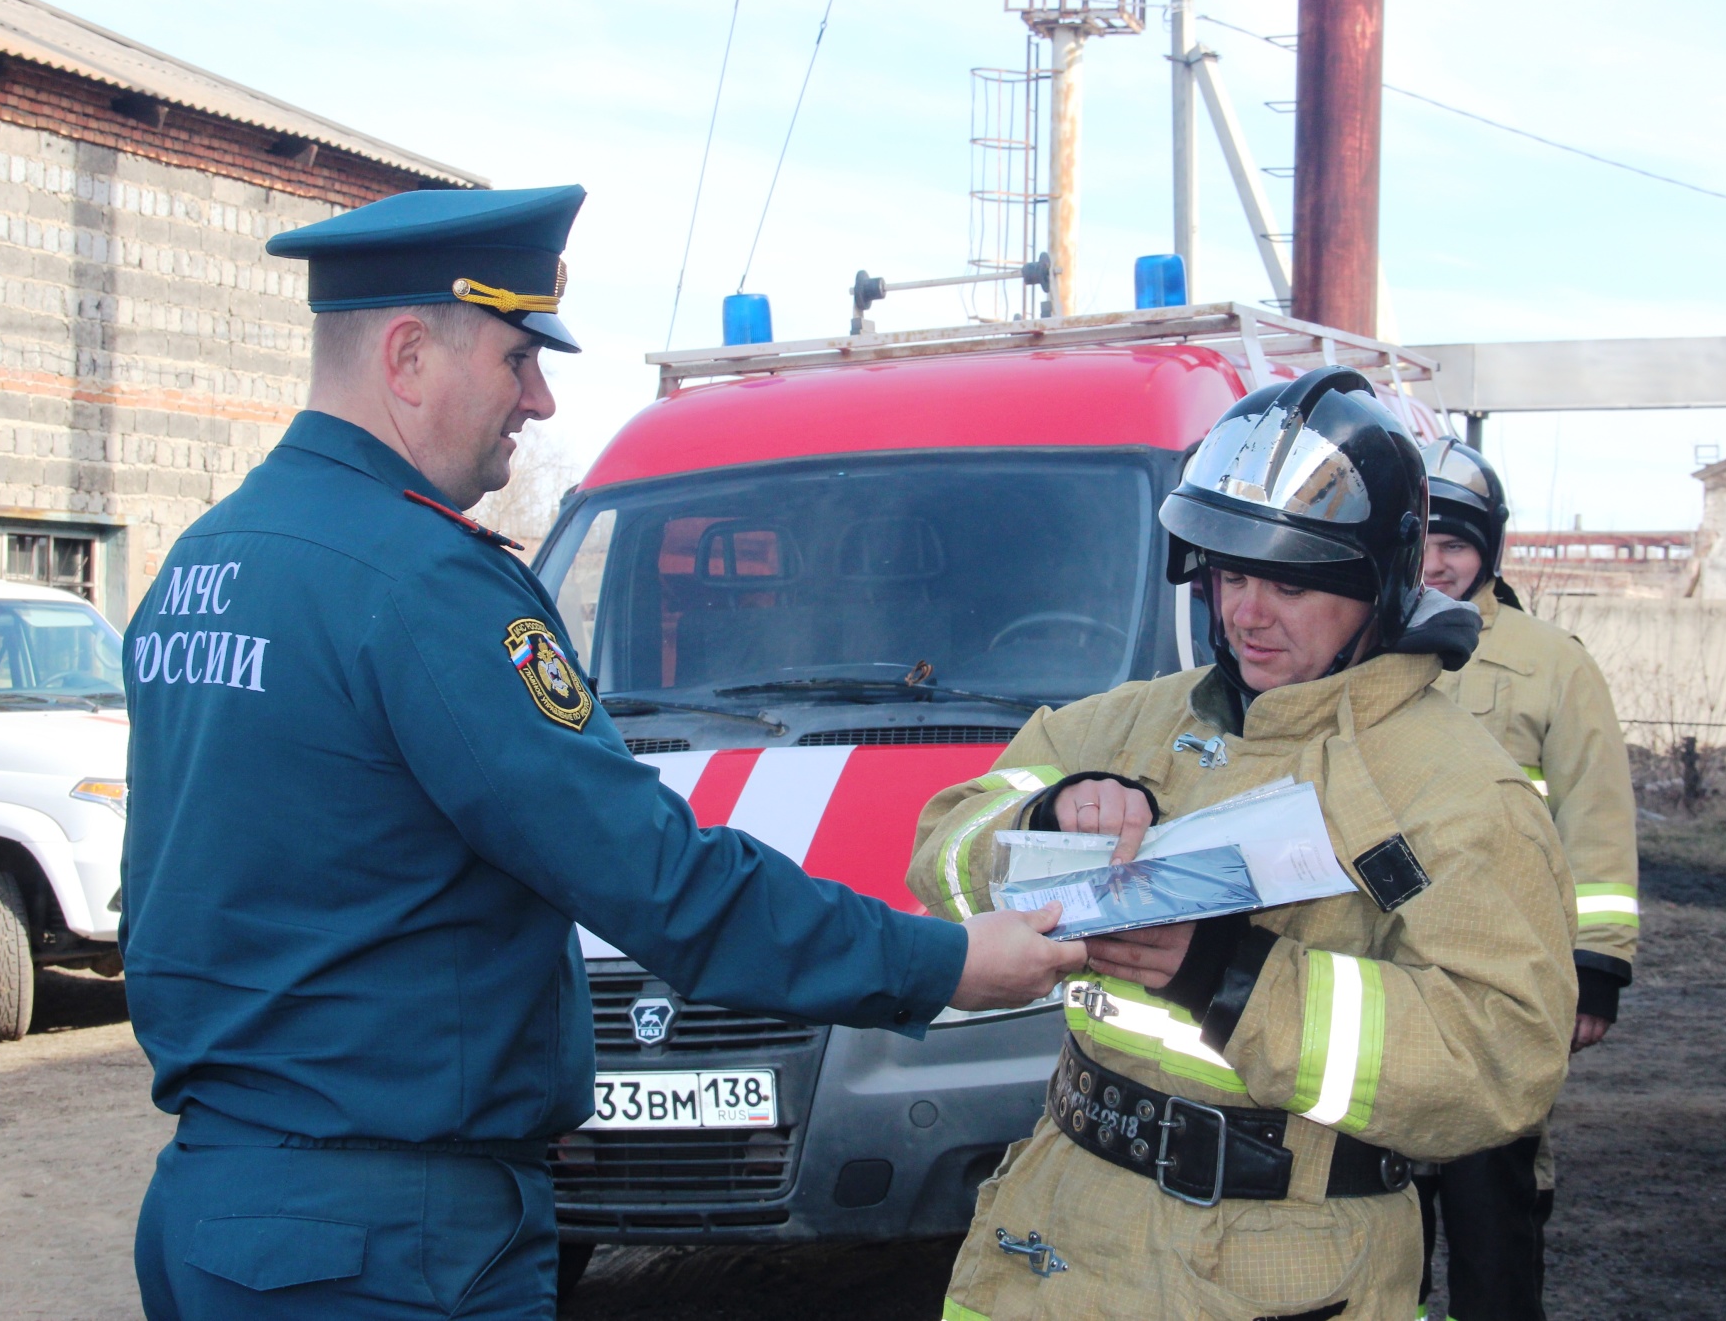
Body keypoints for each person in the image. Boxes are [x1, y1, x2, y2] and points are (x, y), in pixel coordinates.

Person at [119, 185, 1083, 1321]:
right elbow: (655, 876)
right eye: (519, 356)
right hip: (386, 1239)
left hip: (217, 1208)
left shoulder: (206, 559)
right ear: (408, 353)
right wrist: (944, 962)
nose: (538, 397)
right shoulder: (422, 583)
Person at [907, 370, 1577, 1321]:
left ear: (1377, 587)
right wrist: (1044, 819)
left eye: (1293, 582)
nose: (1248, 612)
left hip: (1277, 1260)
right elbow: (942, 847)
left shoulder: (1460, 791)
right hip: (1048, 1237)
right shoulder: (1124, 725)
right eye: (1231, 572)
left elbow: (1500, 1060)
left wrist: (1228, 976)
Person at [1414, 436, 1640, 1321]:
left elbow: (1596, 820)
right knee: (1374, 1211)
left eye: (1457, 544)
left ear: (1490, 551)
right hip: (1381, 970)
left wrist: (1599, 965)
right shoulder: (1353, 648)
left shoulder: (1553, 664)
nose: (1437, 562)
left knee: (1492, 1206)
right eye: (1423, 539)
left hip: (1506, 982)